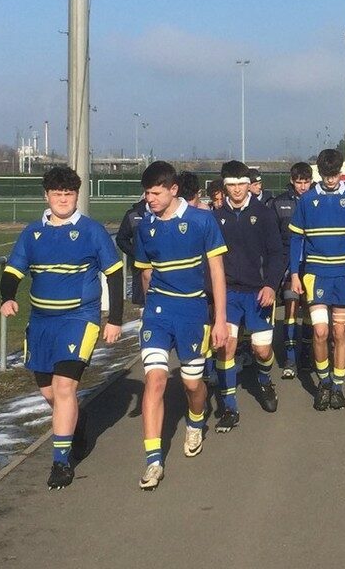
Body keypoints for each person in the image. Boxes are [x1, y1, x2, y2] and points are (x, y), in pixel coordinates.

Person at [0, 166, 124, 490]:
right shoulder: (32, 233)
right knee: (49, 392)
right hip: (41, 321)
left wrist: (115, 319)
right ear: (47, 196)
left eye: (69, 194)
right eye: (58, 194)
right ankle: (76, 421)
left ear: (77, 196)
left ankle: (60, 461)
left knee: (65, 386)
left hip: (79, 319)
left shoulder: (92, 231)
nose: (63, 200)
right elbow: (13, 270)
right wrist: (7, 297)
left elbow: (114, 273)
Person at [133, 161, 228, 489]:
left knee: (191, 384)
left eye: (156, 193)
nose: (150, 199)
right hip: (158, 312)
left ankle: (196, 421)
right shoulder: (145, 226)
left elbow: (217, 271)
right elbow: (146, 273)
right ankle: (153, 461)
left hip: (192, 312)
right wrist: (147, 311)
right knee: (155, 380)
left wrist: (220, 319)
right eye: (147, 193)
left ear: (173, 190)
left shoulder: (202, 220)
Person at [289, 148, 345, 411]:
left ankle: (338, 387)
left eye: (334, 174)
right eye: (326, 175)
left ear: (340, 171)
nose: (331, 179)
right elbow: (296, 239)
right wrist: (294, 273)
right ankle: (324, 383)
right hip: (316, 274)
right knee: (320, 332)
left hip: (344, 275)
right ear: (320, 173)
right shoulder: (307, 200)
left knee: (340, 332)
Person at [212, 161, 284, 430]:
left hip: (258, 292)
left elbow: (277, 253)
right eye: (231, 185)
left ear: (248, 185)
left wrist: (271, 285)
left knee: (261, 351)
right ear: (225, 187)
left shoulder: (264, 214)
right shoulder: (216, 217)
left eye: (241, 184)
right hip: (229, 293)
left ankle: (265, 381)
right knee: (226, 347)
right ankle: (229, 407)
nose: (237, 190)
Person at [268, 162, 314, 379]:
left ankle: (306, 353)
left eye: (306, 182)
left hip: (313, 263)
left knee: (309, 310)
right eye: (298, 182)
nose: (302, 186)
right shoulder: (279, 203)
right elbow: (272, 237)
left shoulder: (318, 200)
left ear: (311, 181)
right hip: (288, 263)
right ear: (292, 181)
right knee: (291, 306)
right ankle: (290, 357)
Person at [115, 197, 149, 305]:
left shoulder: (168, 212)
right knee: (144, 306)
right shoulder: (134, 214)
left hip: (165, 273)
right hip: (140, 273)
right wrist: (137, 253)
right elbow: (121, 239)